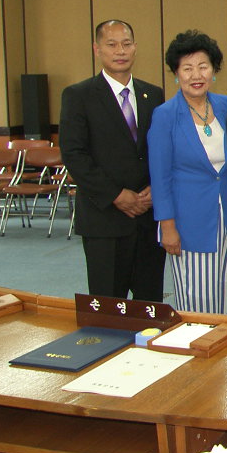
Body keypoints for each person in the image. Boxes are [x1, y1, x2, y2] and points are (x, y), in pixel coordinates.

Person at [59, 19, 165, 301]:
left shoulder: (153, 94)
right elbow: (74, 154)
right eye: (112, 44)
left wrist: (157, 189)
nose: (120, 50)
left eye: (126, 43)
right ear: (97, 49)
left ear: (135, 48)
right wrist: (116, 195)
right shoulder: (78, 95)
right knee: (107, 307)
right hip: (104, 219)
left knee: (149, 305)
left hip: (147, 219)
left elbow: (162, 150)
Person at [148, 30, 227, 314]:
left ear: (214, 71)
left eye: (203, 66)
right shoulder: (165, 115)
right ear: (176, 74)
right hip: (187, 223)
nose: (196, 74)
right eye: (187, 68)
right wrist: (167, 226)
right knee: (196, 299)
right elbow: (160, 176)